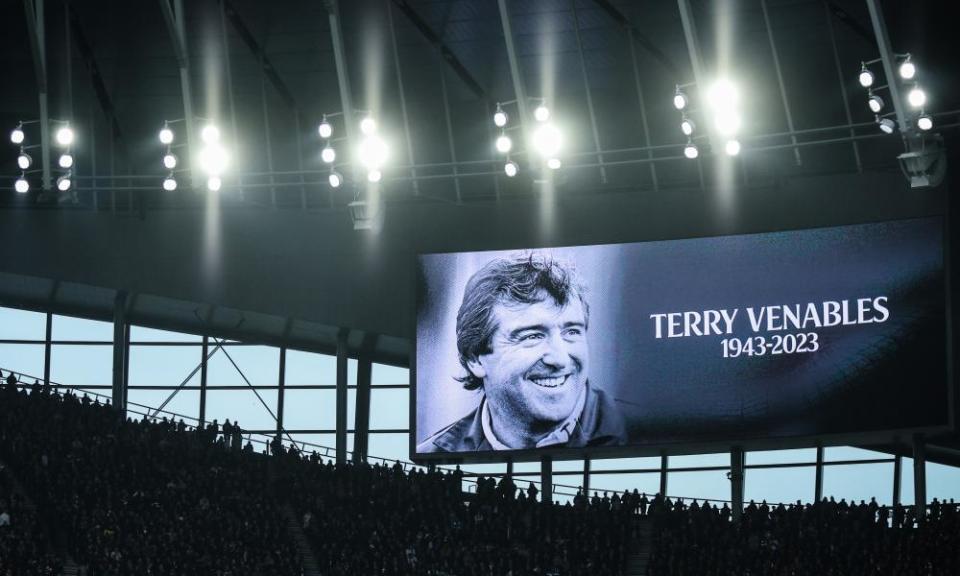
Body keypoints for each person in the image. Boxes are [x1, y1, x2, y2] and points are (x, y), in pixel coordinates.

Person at [418, 253, 627, 453]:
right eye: (532, 336)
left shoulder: (641, 430)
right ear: (475, 359)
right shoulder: (434, 454)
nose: (560, 359)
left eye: (571, 332)